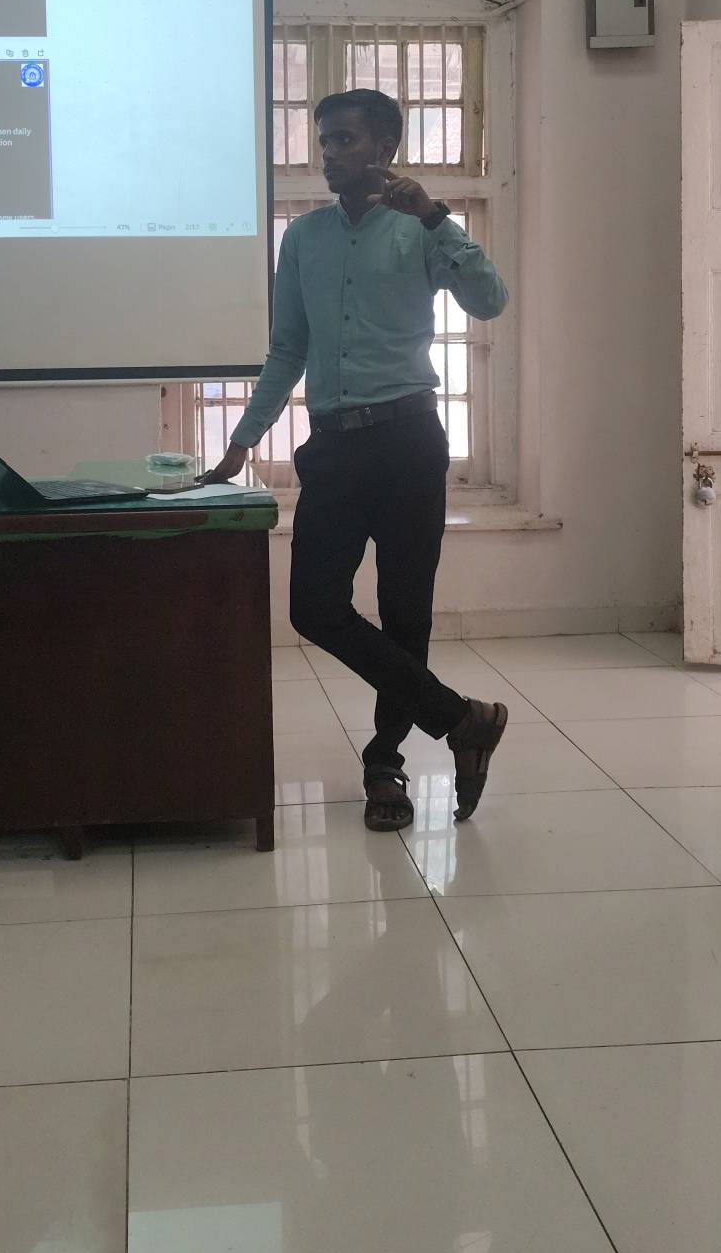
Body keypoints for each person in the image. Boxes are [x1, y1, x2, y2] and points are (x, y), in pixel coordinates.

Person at [205, 89, 510, 832]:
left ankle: (385, 765)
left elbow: (490, 300)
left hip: (408, 442)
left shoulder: (421, 230)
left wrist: (436, 217)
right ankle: (461, 719)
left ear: (385, 148)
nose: (330, 153)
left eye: (345, 139)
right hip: (335, 447)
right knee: (314, 607)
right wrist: (243, 439)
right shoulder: (304, 238)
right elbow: (288, 348)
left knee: (405, 612)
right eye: (325, 140)